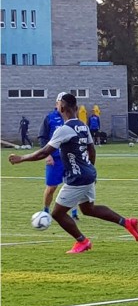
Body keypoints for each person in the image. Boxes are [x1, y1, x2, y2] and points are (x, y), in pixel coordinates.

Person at [9, 94, 138, 254]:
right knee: (88, 209)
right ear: (76, 109)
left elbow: (44, 152)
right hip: (88, 173)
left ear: (61, 108)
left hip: (77, 178)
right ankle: (127, 222)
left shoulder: (64, 130)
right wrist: (90, 170)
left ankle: (82, 241)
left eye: (58, 104)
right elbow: (92, 150)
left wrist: (21, 158)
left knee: (57, 213)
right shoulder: (83, 126)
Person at [38, 92, 79, 220]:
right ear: (57, 104)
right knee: (51, 187)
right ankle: (45, 211)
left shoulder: (72, 119)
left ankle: (74, 213)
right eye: (61, 102)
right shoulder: (49, 118)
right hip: (55, 159)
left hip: (70, 158)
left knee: (73, 185)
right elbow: (42, 137)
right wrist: (47, 155)